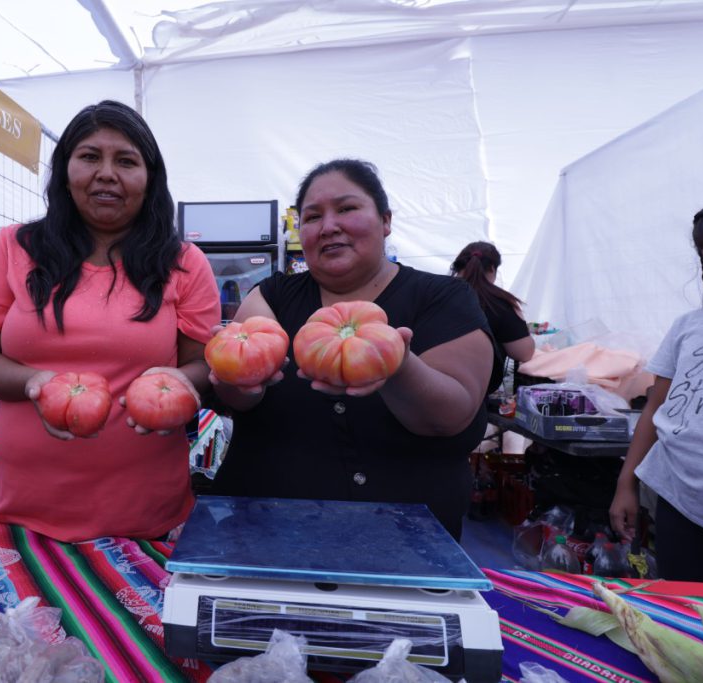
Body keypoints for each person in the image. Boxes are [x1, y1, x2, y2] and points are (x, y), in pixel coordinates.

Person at [0, 100, 220, 543]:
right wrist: (34, 383)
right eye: (90, 157)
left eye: (127, 161)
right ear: (65, 170)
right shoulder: (12, 247)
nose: (107, 173)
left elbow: (202, 365)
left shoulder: (184, 262)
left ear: (150, 178)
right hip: (25, 508)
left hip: (146, 512)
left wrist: (175, 385)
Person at [210, 159, 494, 540]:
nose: (329, 227)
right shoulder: (271, 296)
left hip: (409, 540)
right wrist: (236, 381)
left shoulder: (444, 298)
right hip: (270, 531)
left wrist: (396, 365)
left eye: (347, 209)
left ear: (386, 220)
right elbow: (241, 394)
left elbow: (453, 415)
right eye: (312, 217)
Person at [609, 209, 703, 581]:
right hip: (679, 499)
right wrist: (625, 483)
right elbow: (656, 406)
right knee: (684, 610)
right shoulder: (688, 327)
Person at [450, 241, 534, 394]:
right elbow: (524, 353)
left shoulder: (435, 292)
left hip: (426, 384)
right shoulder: (499, 302)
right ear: (492, 268)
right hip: (474, 392)